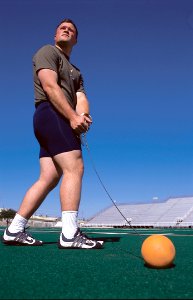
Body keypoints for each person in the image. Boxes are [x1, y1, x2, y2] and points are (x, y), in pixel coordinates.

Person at [2, 19, 103, 249]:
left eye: (72, 30)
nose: (67, 30)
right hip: (52, 113)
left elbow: (81, 98)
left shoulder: (76, 71)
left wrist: (83, 115)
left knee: (49, 177)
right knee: (74, 167)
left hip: (59, 118)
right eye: (62, 28)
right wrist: (71, 117)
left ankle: (14, 229)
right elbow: (49, 86)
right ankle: (69, 234)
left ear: (76, 40)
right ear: (55, 33)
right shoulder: (48, 51)